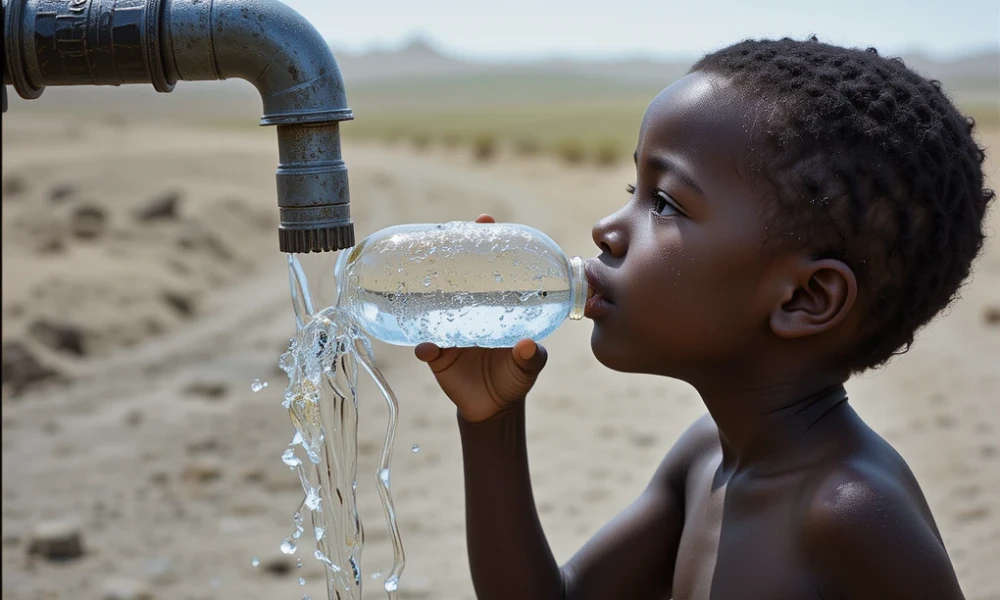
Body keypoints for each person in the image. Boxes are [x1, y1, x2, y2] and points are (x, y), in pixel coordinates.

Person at [415, 37, 992, 599]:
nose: (606, 231)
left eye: (664, 203)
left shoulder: (852, 511)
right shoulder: (707, 458)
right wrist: (491, 418)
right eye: (632, 187)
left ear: (805, 299)